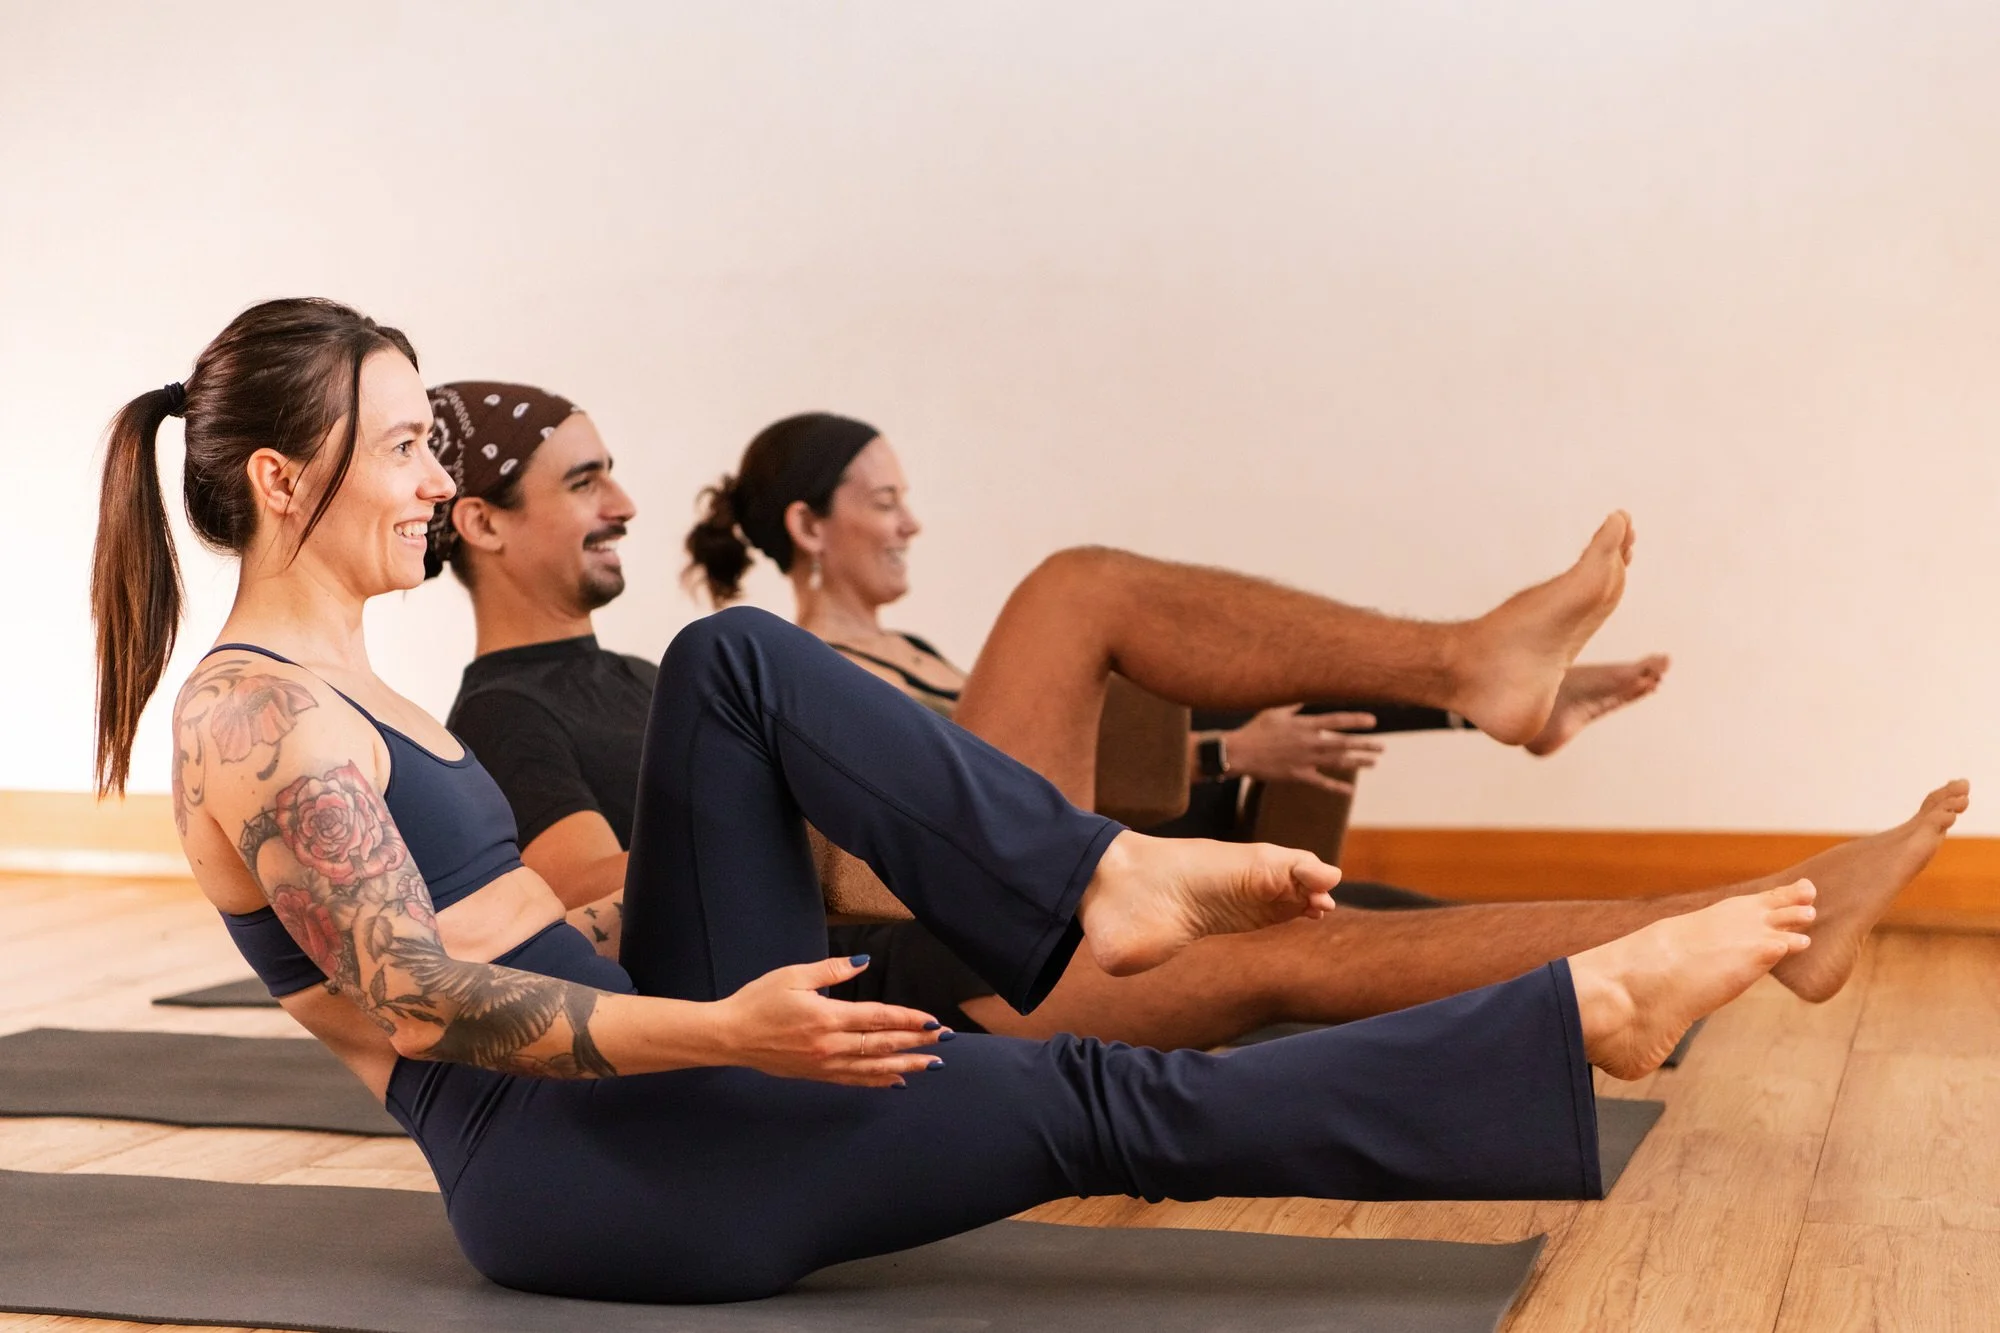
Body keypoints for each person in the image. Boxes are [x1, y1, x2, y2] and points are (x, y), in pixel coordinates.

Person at [95, 298, 1846, 1303]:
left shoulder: (356, 691)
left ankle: (1107, 878)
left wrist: (661, 939)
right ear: (285, 479)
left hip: (653, 1070)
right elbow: (420, 999)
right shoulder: (257, 720)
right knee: (1104, 1102)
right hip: (592, 1171)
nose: (429, 475)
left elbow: (501, 924)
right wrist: (732, 1031)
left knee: (735, 661)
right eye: (407, 444)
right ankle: (1581, 1014)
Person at [435, 383, 1951, 1051]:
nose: (625, 499)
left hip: (966, 915)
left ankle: (1777, 909)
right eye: (583, 480)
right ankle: (1487, 682)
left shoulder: (656, 676)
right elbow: (601, 922)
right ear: (484, 525)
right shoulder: (505, 711)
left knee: (1298, 931)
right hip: (912, 965)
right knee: (1087, 603)